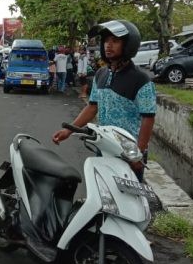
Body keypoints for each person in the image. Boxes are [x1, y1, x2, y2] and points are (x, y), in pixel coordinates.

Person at [52, 20, 156, 182]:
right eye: (106, 41)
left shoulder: (141, 79)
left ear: (128, 45)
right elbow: (92, 107)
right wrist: (69, 130)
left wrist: (138, 153)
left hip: (129, 152)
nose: (108, 45)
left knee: (127, 194)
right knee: (104, 191)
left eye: (115, 41)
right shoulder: (101, 74)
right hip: (104, 146)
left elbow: (148, 118)